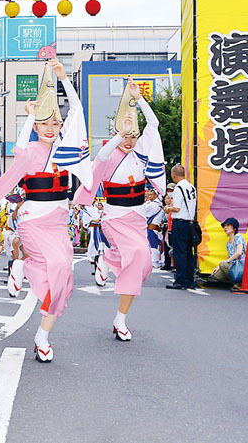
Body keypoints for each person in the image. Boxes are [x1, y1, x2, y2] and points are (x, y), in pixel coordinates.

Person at [0, 58, 92, 362]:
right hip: (32, 219)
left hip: (58, 221)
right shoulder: (29, 151)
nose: (51, 129)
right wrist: (30, 118)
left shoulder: (66, 152)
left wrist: (64, 79)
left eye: (55, 123)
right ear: (37, 126)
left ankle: (42, 335)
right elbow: (17, 147)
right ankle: (21, 265)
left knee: (64, 276)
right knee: (55, 266)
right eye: (45, 124)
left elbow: (78, 113)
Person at [74, 78, 166, 341]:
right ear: (116, 133)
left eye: (134, 136)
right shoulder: (108, 154)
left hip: (137, 217)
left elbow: (154, 124)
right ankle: (109, 260)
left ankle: (119, 316)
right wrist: (119, 134)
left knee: (144, 265)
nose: (130, 140)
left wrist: (140, 99)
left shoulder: (140, 154)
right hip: (114, 218)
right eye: (126, 136)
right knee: (137, 254)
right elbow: (100, 160)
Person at [163, 164, 197, 289]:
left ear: (173, 175)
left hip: (180, 222)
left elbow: (176, 208)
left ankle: (180, 280)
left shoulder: (179, 188)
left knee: (179, 252)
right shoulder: (191, 187)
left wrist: (168, 208)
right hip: (189, 222)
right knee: (188, 252)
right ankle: (190, 280)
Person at [199, 218, 246, 286]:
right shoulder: (228, 243)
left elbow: (239, 252)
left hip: (241, 265)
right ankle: (234, 281)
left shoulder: (238, 237)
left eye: (228, 225)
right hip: (232, 265)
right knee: (216, 275)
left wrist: (225, 262)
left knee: (223, 264)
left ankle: (238, 282)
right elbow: (229, 257)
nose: (225, 227)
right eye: (224, 226)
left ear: (234, 228)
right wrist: (218, 267)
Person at [81, 198, 110, 286]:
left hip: (97, 225)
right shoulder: (87, 207)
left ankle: (95, 254)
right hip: (92, 225)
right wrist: (93, 220)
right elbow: (86, 218)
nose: (94, 199)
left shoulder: (94, 207)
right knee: (92, 240)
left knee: (97, 241)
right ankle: (90, 255)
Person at [144, 188, 165, 267]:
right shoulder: (156, 203)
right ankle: (158, 261)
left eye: (151, 194)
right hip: (155, 226)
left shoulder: (154, 204)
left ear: (155, 195)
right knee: (157, 244)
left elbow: (145, 214)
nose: (149, 196)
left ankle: (155, 261)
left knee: (153, 244)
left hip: (153, 226)